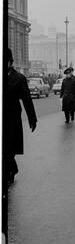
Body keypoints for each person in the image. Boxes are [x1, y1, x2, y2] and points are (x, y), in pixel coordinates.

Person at [4, 48, 37, 185]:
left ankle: (8, 171)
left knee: (9, 146)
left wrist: (32, 118)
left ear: (10, 62)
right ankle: (12, 168)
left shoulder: (19, 78)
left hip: (12, 117)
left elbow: (27, 99)